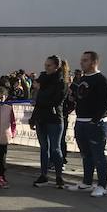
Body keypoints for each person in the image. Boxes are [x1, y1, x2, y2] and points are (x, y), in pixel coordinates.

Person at [68, 51, 107, 197]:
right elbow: (80, 98)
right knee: (86, 154)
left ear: (94, 62)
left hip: (96, 123)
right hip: (81, 121)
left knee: (98, 155)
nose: (81, 63)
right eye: (82, 60)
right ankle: (87, 182)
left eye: (85, 60)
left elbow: (106, 103)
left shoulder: (101, 79)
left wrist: (95, 120)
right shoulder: (81, 79)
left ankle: (102, 185)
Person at [30, 55, 67, 188]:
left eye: (49, 65)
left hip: (54, 118)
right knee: (43, 148)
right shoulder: (42, 80)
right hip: (41, 117)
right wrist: (33, 118)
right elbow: (36, 101)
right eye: (45, 65)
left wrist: (40, 95)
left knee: (55, 148)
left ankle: (59, 176)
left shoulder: (61, 82)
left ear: (56, 67)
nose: (46, 68)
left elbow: (55, 101)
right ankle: (43, 175)